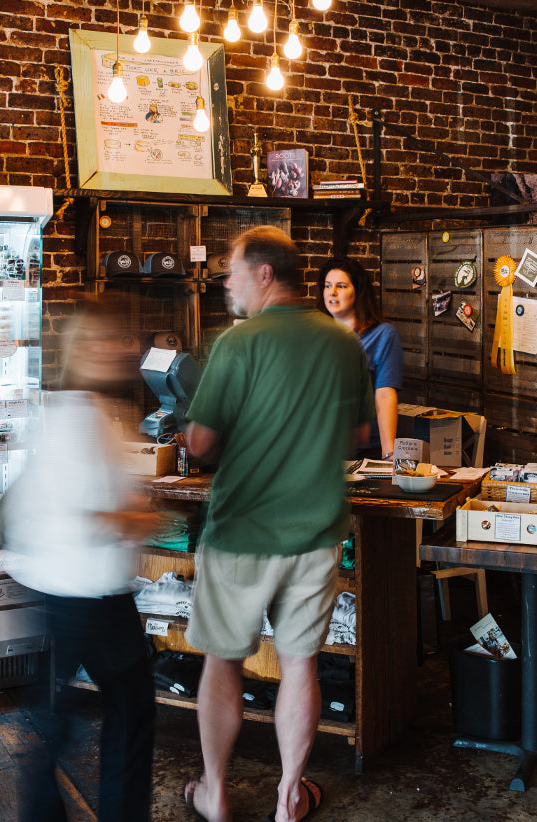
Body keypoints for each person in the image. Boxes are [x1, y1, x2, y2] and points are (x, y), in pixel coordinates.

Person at [182, 226, 374, 822]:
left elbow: (202, 441)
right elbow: (358, 438)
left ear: (265, 274)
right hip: (315, 534)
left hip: (242, 532)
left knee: (222, 661)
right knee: (300, 665)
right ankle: (290, 796)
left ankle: (215, 794)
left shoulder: (238, 344)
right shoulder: (342, 344)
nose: (228, 286)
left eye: (233, 274)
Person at [6, 298, 159, 822]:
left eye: (120, 339)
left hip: (55, 585)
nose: (119, 349)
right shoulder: (85, 421)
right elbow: (97, 517)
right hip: (89, 592)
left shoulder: (70, 409)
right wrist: (144, 521)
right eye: (104, 340)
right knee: (130, 713)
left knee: (55, 720)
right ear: (80, 350)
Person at [316, 257, 404, 459]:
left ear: (357, 291)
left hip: (364, 452)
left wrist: (389, 454)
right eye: (328, 286)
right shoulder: (317, 335)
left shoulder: (383, 335)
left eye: (341, 286)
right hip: (322, 450)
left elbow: (385, 395)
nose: (332, 292)